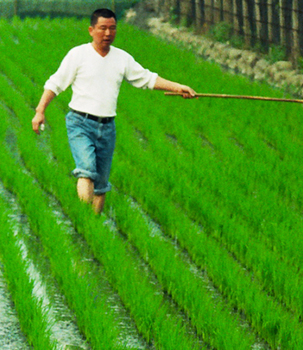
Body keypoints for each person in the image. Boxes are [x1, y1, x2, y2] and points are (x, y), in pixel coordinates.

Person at [32, 9, 197, 214]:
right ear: (91, 30)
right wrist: (40, 111)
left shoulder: (122, 59)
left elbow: (147, 79)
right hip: (80, 123)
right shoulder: (78, 54)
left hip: (107, 127)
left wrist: (177, 87)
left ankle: (94, 223)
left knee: (101, 184)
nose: (108, 33)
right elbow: (55, 83)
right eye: (103, 28)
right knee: (86, 170)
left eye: (112, 28)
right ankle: (83, 217)